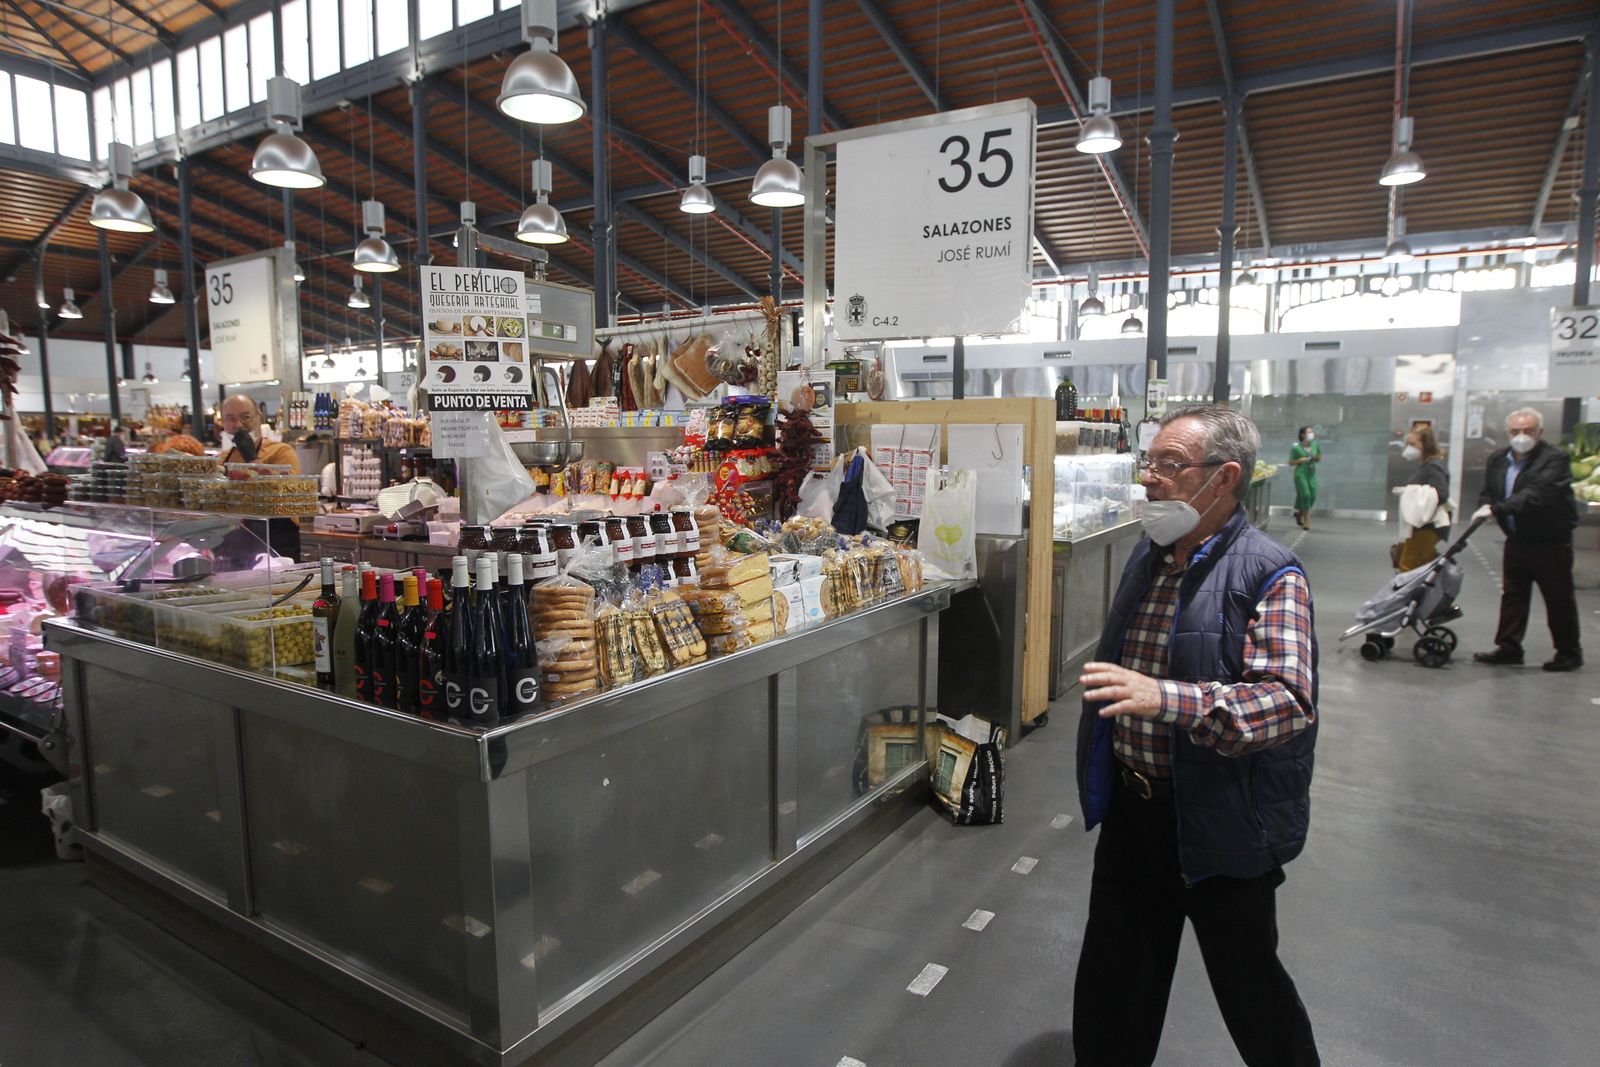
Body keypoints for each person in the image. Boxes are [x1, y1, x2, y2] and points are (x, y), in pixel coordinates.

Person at [1074, 405, 1320, 1067]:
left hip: (1221, 819)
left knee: (1253, 993)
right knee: (1113, 988)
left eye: (1170, 465)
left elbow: (1286, 699)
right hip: (1135, 811)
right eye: (1148, 462)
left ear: (1225, 478)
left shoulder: (1270, 572)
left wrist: (1167, 698)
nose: (1149, 478)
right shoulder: (1150, 555)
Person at [1471, 407, 1581, 671]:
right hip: (1517, 540)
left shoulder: (1554, 459)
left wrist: (1497, 510)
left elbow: (1537, 494)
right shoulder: (1499, 459)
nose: (1521, 436)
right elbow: (1489, 491)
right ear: (1508, 432)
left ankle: (1568, 652)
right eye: (1515, 431)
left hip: (1551, 543)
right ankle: (1509, 647)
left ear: (1540, 432)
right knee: (1513, 595)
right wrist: (1485, 505)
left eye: (1528, 430)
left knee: (1558, 598)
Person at [217, 395, 304, 563]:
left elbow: (288, 494)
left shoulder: (281, 452)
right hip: (234, 548)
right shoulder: (223, 459)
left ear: (259, 418)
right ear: (224, 424)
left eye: (245, 417)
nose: (239, 424)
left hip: (276, 544)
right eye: (231, 419)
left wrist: (251, 458)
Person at [1393, 424, 1451, 571]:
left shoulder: (1433, 467)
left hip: (1427, 527)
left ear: (1426, 445)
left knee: (1408, 566)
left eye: (1413, 444)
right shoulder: (1427, 465)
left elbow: (1441, 494)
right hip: (1422, 528)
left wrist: (1414, 493)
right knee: (1418, 562)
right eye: (1407, 444)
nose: (1409, 448)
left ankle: (1409, 594)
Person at [1288, 426, 1320, 529]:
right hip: (1300, 474)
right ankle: (1306, 521)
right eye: (1309, 432)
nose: (1312, 434)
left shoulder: (1315, 445)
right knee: (1305, 495)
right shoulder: (1296, 447)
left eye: (1312, 432)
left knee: (1312, 495)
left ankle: (1300, 514)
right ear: (1302, 434)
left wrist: (1315, 456)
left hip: (1311, 474)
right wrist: (1300, 460)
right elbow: (1291, 462)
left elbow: (1318, 459)